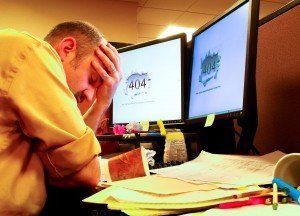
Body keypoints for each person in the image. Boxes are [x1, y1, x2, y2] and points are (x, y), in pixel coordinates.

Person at [0, 21, 122, 215]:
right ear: (67, 49)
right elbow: (87, 173)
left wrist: (102, 102)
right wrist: (102, 104)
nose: (91, 95)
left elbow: (69, 160)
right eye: (92, 79)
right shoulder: (31, 51)